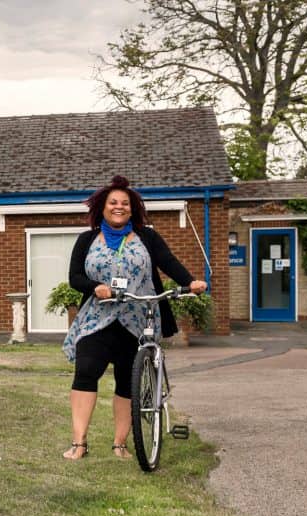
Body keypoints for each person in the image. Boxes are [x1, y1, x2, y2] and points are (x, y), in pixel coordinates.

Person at [62, 175, 207, 460]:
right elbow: (75, 277)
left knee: (126, 380)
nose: (119, 207)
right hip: (97, 318)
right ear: (102, 207)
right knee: (86, 369)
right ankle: (79, 443)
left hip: (136, 319)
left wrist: (190, 282)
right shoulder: (87, 239)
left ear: (133, 208)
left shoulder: (147, 237)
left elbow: (168, 262)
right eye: (113, 202)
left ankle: (120, 443)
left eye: (125, 203)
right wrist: (95, 287)